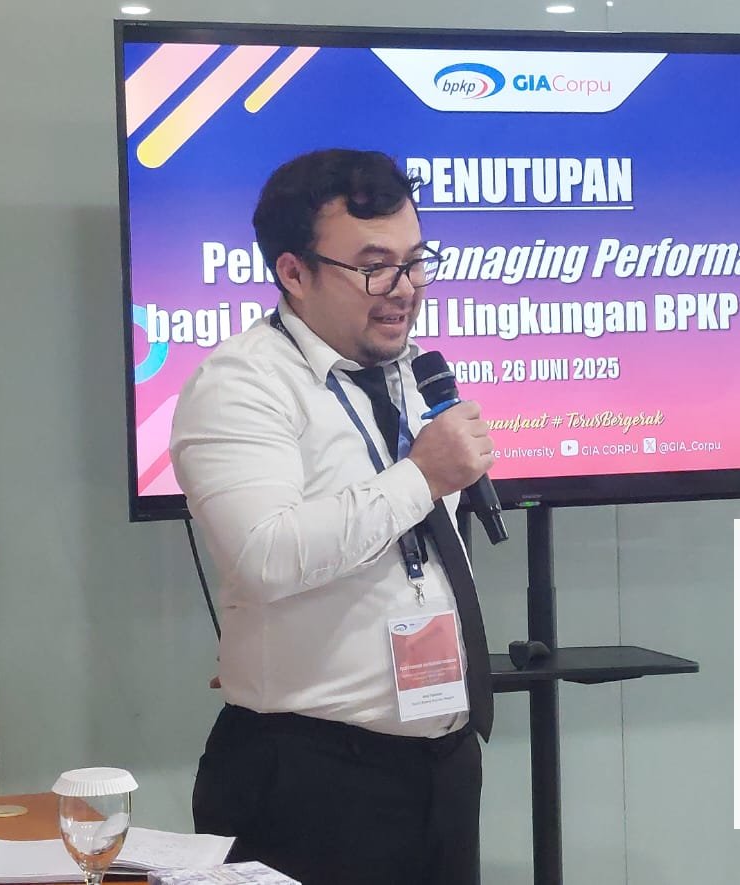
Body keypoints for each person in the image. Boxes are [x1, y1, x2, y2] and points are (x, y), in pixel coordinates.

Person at [170, 148, 496, 885]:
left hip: (441, 766)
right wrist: (421, 476)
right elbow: (265, 555)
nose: (404, 290)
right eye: (374, 267)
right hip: (309, 778)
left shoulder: (411, 374)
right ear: (294, 272)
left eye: (415, 262)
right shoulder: (242, 383)